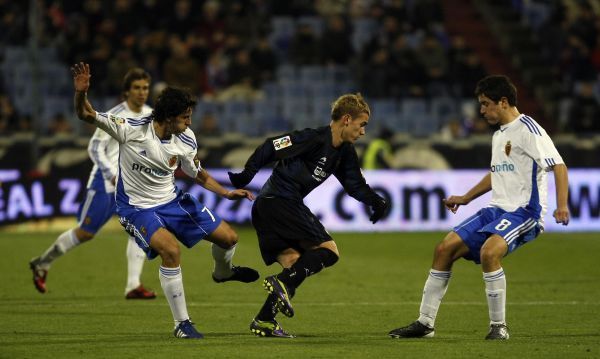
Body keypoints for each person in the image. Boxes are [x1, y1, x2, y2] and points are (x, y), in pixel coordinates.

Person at [69, 62, 259, 339]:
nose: (189, 122)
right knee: (171, 252)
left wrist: (226, 192)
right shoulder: (131, 129)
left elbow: (199, 175)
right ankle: (182, 324)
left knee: (229, 238)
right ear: (168, 117)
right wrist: (81, 93)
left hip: (172, 201)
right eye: (185, 117)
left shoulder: (186, 138)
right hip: (136, 208)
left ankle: (223, 273)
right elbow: (85, 114)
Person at [388, 75, 570, 340]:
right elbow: (497, 173)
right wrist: (466, 197)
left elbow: (559, 165)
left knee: (489, 252)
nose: (482, 110)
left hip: (524, 211)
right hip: (495, 209)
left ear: (503, 102)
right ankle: (425, 323)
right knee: (444, 249)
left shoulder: (529, 128)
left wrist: (561, 206)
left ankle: (499, 327)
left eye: (486, 104)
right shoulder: (499, 135)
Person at [228, 93, 390, 338]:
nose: (363, 132)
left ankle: (264, 320)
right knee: (329, 250)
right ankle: (281, 285)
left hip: (270, 207)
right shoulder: (312, 139)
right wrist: (247, 175)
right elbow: (272, 146)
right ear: (347, 119)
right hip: (279, 202)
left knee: (294, 264)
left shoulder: (344, 152)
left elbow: (355, 184)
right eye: (362, 124)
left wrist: (375, 201)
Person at [30, 68, 157, 299]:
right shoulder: (115, 115)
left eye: (145, 88)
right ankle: (43, 262)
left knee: (140, 228)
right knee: (86, 233)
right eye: (137, 88)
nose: (141, 92)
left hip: (133, 183)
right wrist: (110, 174)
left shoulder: (151, 115)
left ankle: (133, 285)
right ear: (126, 92)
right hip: (106, 181)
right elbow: (95, 148)